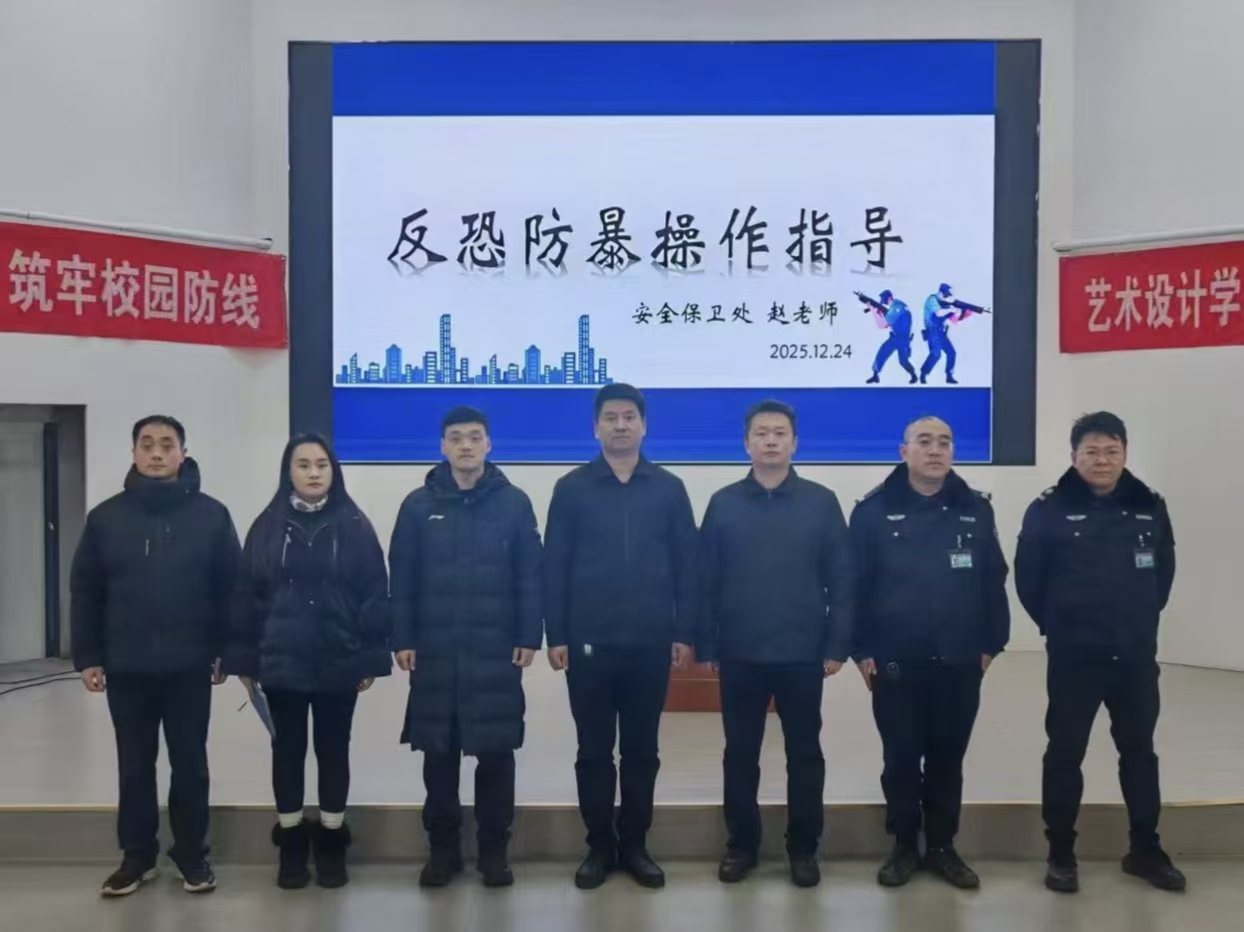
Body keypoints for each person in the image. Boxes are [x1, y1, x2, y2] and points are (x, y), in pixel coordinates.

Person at [70, 415, 240, 897]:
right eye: (147, 444)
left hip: (190, 665)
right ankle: (137, 856)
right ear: (134, 454)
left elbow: (231, 589)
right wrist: (88, 655)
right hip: (127, 666)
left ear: (183, 454)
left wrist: (225, 649)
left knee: (190, 765)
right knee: (134, 766)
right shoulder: (106, 518)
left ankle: (192, 855)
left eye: (167, 444)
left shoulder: (211, 515)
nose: (157, 452)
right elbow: (86, 591)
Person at [1016, 412, 1185, 894]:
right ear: (1074, 457)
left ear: (1125, 454)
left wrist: (1137, 622)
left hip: (1134, 657)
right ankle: (1061, 853)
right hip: (1075, 658)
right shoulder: (1048, 508)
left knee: (1139, 754)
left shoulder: (1150, 505)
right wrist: (1059, 627)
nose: (1102, 460)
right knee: (1065, 754)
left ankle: (1145, 850)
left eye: (1111, 450)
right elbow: (1028, 579)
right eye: (1091, 451)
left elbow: (1163, 574)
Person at [543, 383, 698, 890]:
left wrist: (684, 630)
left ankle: (634, 845)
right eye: (611, 417)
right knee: (593, 752)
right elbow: (554, 566)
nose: (621, 425)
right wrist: (556, 633)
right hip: (588, 644)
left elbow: (688, 567)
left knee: (641, 752)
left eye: (629, 416)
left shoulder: (669, 488)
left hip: (651, 644)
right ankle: (598, 846)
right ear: (596, 427)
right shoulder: (572, 488)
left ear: (644, 426)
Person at [223, 434, 390, 890]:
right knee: (288, 752)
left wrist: (369, 658)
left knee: (334, 751)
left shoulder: (354, 525)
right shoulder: (267, 526)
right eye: (303, 464)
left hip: (339, 660)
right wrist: (245, 661)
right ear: (288, 472)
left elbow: (374, 592)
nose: (313, 472)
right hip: (281, 662)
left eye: (321, 464)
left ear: (334, 471)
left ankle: (332, 841)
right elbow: (246, 595)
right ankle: (292, 842)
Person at [698, 399, 853, 888]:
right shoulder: (723, 503)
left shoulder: (821, 502)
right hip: (739, 653)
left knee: (804, 754)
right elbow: (705, 580)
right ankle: (742, 845)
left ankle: (803, 848)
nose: (770, 440)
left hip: (802, 654)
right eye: (761, 433)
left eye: (779, 433)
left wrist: (837, 644)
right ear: (746, 444)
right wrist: (708, 645)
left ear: (794, 443)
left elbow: (842, 579)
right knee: (740, 754)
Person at [849, 416, 1009, 889]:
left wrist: (991, 645)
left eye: (944, 442)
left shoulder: (976, 508)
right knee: (900, 759)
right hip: (896, 660)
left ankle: (941, 847)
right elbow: (854, 586)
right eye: (924, 442)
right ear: (904, 452)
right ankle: (903, 845)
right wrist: (861, 650)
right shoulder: (872, 511)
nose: (936, 450)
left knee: (947, 759)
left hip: (959, 660)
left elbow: (993, 580)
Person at [389, 407, 543, 889]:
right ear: (443, 446)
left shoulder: (514, 504)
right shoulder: (418, 506)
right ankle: (443, 853)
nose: (465, 446)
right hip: (435, 653)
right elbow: (402, 578)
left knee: (496, 756)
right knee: (439, 757)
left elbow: (530, 575)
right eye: (456, 438)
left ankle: (494, 853)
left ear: (488, 445)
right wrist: (403, 638)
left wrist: (528, 634)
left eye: (475, 437)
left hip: (496, 651)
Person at [865, 290, 918, 385]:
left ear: (889, 298)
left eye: (884, 299)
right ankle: (875, 375)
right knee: (882, 352)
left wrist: (873, 310)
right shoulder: (900, 305)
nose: (883, 301)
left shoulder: (896, 308)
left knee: (903, 361)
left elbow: (882, 325)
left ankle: (913, 375)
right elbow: (893, 320)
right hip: (897, 337)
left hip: (901, 339)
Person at [919, 284, 961, 385]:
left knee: (951, 353)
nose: (946, 297)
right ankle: (923, 373)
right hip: (932, 332)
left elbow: (949, 320)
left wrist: (957, 312)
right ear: (940, 292)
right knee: (936, 354)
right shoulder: (932, 300)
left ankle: (949, 376)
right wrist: (951, 309)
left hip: (941, 332)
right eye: (945, 295)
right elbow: (938, 313)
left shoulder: (944, 304)